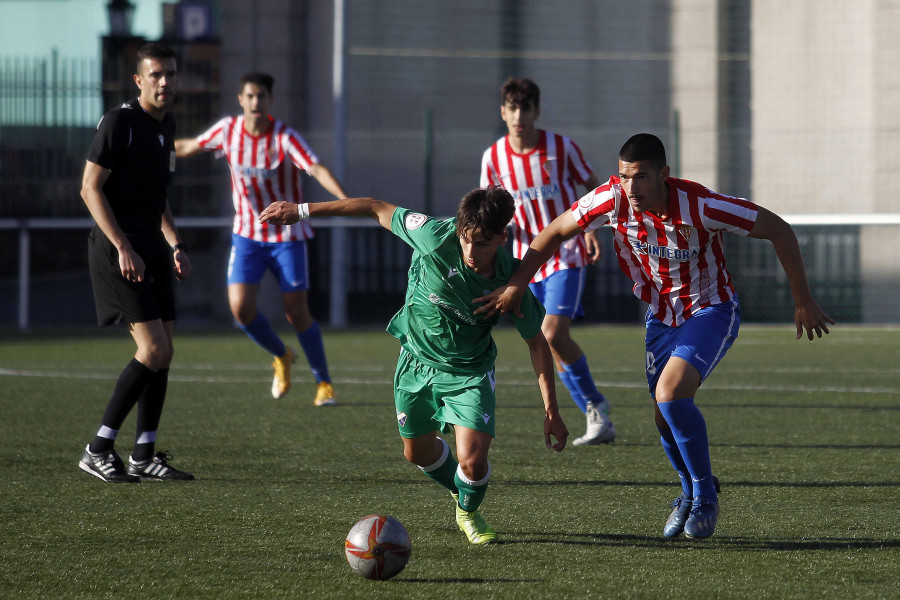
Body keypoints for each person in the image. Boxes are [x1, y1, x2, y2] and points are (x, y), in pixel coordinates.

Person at [475, 133, 834, 539]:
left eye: (642, 177)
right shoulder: (612, 200)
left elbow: (779, 229)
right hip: (661, 318)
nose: (631, 188)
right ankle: (688, 491)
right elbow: (554, 231)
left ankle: (704, 497)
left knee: (671, 394)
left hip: (710, 310)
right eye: (625, 177)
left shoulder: (701, 205)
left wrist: (803, 299)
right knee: (664, 418)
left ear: (664, 174)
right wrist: (518, 283)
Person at [258, 187, 569, 544]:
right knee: (416, 452)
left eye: (482, 244)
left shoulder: (512, 283)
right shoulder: (433, 234)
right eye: (465, 240)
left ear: (503, 237)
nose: (470, 252)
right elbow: (374, 206)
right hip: (415, 364)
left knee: (474, 461)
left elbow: (536, 344)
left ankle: (467, 511)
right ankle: (460, 489)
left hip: (469, 373)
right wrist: (301, 210)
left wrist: (551, 410)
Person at [175, 72, 347, 405]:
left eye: (262, 96)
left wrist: (344, 200)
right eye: (250, 96)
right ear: (241, 100)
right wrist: (150, 147)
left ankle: (323, 382)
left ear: (270, 100)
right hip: (247, 237)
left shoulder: (285, 137)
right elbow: (189, 146)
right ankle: (282, 355)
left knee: (296, 313)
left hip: (288, 237)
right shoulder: (227, 131)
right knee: (240, 309)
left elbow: (315, 167)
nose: (256, 102)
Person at [78, 42, 194, 483]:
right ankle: (98, 448)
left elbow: (156, 198)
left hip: (152, 247)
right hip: (117, 249)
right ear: (139, 80)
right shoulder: (120, 122)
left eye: (172, 74)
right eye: (157, 74)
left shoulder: (167, 128)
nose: (165, 82)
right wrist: (124, 246)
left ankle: (145, 454)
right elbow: (90, 188)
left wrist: (175, 244)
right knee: (154, 350)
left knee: (164, 352)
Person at [480, 77, 614, 446]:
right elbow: (488, 209)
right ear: (503, 112)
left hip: (564, 252)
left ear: (537, 111)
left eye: (525, 108)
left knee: (554, 332)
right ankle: (595, 411)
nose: (518, 115)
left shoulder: (562, 148)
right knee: (545, 340)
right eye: (512, 108)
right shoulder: (494, 157)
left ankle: (596, 407)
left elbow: (595, 188)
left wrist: (591, 228)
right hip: (524, 259)